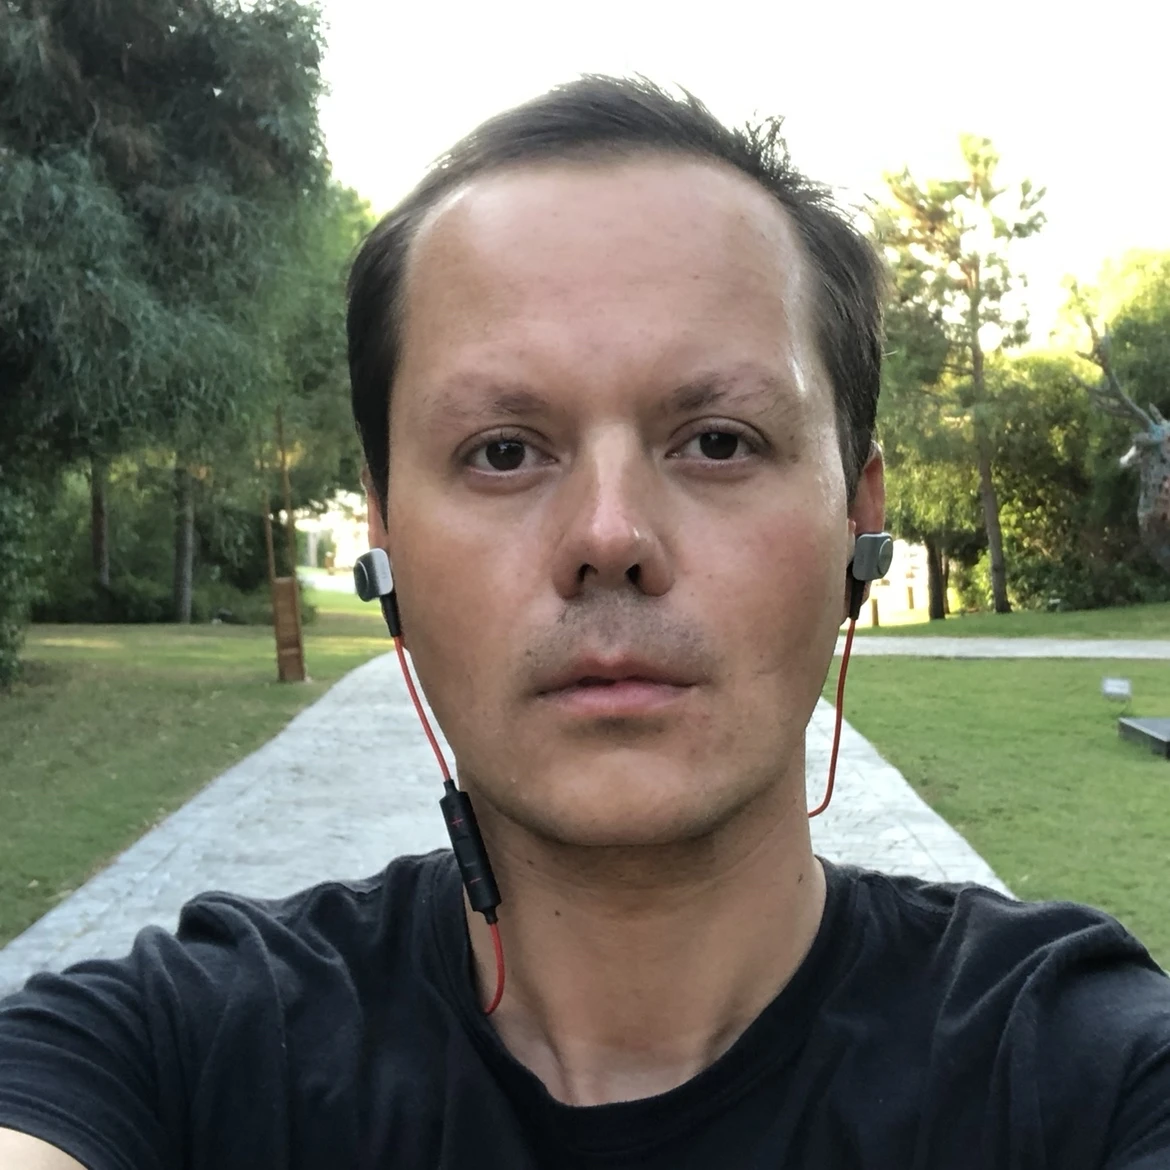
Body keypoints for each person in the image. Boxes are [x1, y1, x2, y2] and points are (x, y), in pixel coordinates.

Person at [2, 75, 1168, 1170]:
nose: (609, 535)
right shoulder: (171, 1051)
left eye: (718, 441)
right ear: (386, 534)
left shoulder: (1088, 1072)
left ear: (857, 520)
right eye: (503, 451)